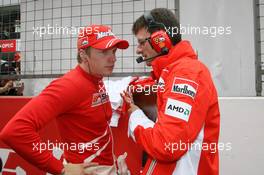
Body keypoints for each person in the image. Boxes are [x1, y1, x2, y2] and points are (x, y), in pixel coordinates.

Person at [0, 25, 129, 175]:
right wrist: (61, 169)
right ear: (83, 54)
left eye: (114, 51)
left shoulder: (96, 77)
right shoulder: (69, 85)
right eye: (104, 52)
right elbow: (15, 131)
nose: (113, 58)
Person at [122, 8, 220, 175]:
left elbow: (166, 145)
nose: (138, 50)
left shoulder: (186, 74)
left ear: (161, 40)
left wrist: (135, 117)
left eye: (141, 42)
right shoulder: (171, 73)